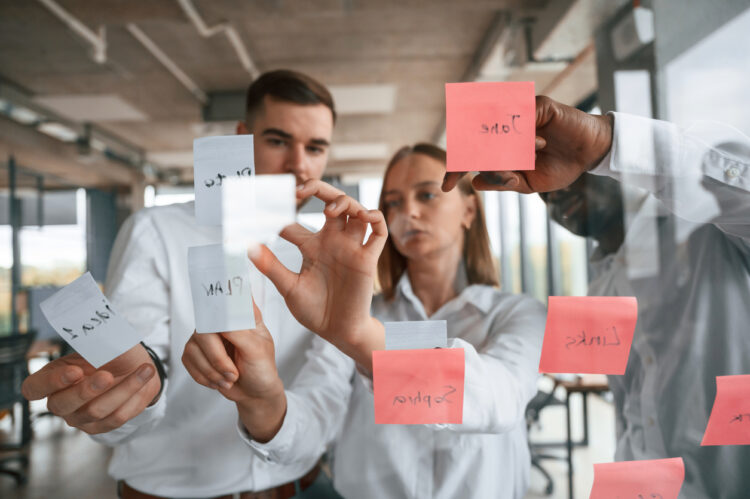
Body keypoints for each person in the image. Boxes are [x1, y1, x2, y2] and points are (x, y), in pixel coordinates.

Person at [21, 70, 354, 499]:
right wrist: (128, 394)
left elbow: (328, 384)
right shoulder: (156, 231)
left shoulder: (327, 254)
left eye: (316, 147)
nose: (299, 164)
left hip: (302, 486)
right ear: (242, 137)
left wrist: (270, 412)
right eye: (277, 140)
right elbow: (145, 363)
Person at [183, 143, 546, 498]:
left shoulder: (519, 314)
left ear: (470, 209)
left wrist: (360, 336)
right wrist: (262, 402)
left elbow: (501, 400)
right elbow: (312, 419)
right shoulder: (360, 314)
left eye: (427, 196)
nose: (409, 212)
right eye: (392, 202)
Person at [446, 95, 750, 498]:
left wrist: (607, 142)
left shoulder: (705, 230)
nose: (554, 198)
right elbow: (632, 407)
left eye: (571, 177)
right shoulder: (601, 289)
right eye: (544, 196)